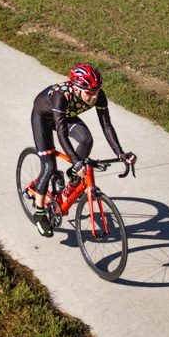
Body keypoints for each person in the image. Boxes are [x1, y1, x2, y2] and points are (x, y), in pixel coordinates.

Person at [27, 63, 136, 237]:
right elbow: (62, 133)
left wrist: (120, 153)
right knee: (49, 166)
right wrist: (76, 160)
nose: (94, 97)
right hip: (43, 118)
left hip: (65, 116)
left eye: (97, 91)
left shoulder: (98, 96)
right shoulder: (60, 96)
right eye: (89, 93)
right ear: (77, 89)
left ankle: (73, 175)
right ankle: (39, 213)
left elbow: (106, 126)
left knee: (86, 139)